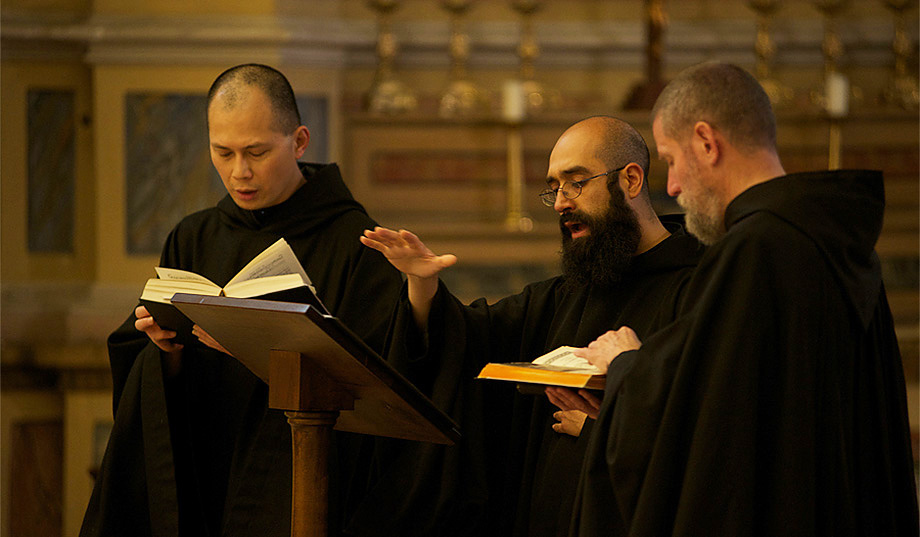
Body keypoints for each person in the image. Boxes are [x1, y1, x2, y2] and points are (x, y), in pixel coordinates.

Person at [567, 62, 919, 536]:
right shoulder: (836, 238)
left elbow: (714, 435)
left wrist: (627, 366)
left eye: (671, 159)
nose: (672, 187)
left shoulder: (754, 251)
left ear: (706, 143)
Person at [80, 64, 403, 537]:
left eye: (257, 152)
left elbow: (380, 382)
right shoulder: (194, 236)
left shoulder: (356, 244)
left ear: (299, 141)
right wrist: (164, 352)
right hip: (206, 468)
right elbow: (151, 380)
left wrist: (265, 351)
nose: (239, 172)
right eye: (222, 152)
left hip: (296, 478)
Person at [351, 116, 704, 537]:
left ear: (631, 179)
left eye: (576, 183)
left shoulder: (698, 290)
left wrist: (603, 433)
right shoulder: (565, 295)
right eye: (555, 187)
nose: (560, 203)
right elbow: (470, 340)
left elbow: (705, 432)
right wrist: (422, 285)